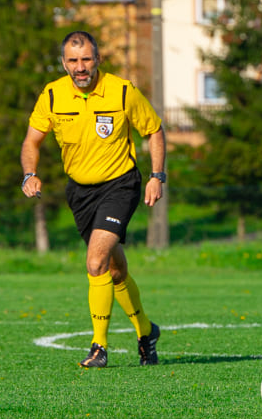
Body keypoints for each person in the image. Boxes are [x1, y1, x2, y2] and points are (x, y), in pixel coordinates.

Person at [20, 30, 165, 368]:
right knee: (114, 271)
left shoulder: (122, 91)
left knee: (95, 261)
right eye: (73, 60)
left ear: (98, 59)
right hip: (80, 192)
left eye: (86, 59)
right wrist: (30, 173)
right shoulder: (52, 95)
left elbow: (154, 130)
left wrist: (157, 177)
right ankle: (146, 332)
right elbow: (32, 141)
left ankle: (99, 346)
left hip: (120, 185)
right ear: (63, 63)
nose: (80, 67)